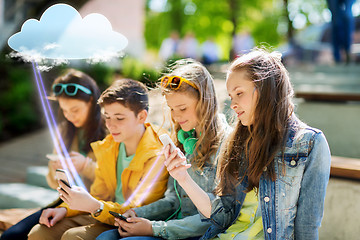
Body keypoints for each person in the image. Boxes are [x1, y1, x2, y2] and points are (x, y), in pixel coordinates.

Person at [164, 49, 331, 239]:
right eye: (230, 96)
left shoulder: (309, 144)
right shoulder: (236, 141)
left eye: (239, 93)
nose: (233, 104)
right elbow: (221, 215)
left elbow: (307, 226)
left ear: (265, 88)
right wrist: (182, 177)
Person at [96, 59, 231, 240]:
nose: (176, 116)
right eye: (172, 108)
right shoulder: (183, 139)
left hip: (196, 233)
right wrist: (136, 213)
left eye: (182, 108)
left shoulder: (227, 144)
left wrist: (154, 228)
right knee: (105, 237)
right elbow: (173, 200)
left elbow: (219, 216)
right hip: (171, 227)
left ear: (205, 102)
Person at [27, 79, 169, 239]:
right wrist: (65, 209)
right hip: (103, 212)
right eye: (107, 117)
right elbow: (98, 193)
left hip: (131, 222)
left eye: (119, 118)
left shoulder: (157, 154)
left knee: (73, 237)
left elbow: (137, 208)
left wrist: (97, 206)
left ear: (142, 116)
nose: (110, 125)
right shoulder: (109, 146)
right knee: (39, 233)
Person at [0, 69, 106, 240]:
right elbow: (52, 182)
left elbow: (113, 180)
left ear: (91, 101)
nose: (70, 116)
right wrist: (56, 170)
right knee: (11, 236)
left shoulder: (111, 131)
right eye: (64, 110)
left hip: (95, 204)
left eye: (75, 109)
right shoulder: (65, 131)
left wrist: (86, 166)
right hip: (64, 203)